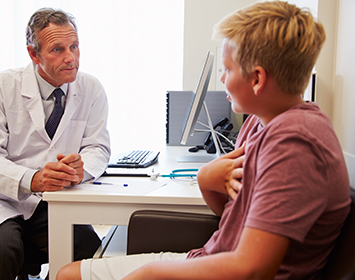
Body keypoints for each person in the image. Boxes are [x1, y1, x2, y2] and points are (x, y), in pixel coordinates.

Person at [56, 1, 351, 280]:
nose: (222, 79)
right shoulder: (259, 125)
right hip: (212, 257)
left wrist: (151, 274)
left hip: (234, 271)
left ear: (257, 79)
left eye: (227, 69)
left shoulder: (294, 145)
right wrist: (207, 178)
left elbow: (252, 270)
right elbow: (236, 214)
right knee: (67, 274)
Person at [0, 7, 111, 280]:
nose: (71, 58)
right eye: (58, 50)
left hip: (50, 203)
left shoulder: (91, 88)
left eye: (74, 46)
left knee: (87, 247)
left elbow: (97, 147)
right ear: (33, 54)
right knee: (1, 249)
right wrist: (32, 178)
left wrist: (80, 169)